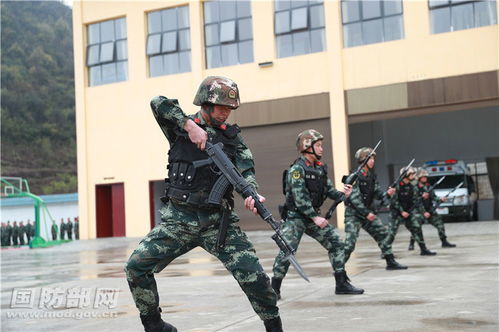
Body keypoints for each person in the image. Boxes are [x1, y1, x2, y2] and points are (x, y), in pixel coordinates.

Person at [124, 76, 282, 332]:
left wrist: (252, 193)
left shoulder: (233, 139)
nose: (226, 114)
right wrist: (189, 125)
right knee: (135, 267)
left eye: (230, 109)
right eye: (222, 108)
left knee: (256, 278)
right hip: (178, 221)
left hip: (218, 223)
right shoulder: (179, 127)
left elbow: (246, 170)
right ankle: (155, 325)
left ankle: (274, 328)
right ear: (206, 103)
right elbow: (157, 102)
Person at [271, 129, 364, 300]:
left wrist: (344, 194)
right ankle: (273, 289)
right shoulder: (297, 170)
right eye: (319, 146)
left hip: (313, 217)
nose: (322, 149)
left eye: (321, 146)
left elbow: (330, 191)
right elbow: (300, 199)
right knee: (287, 251)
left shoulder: (320, 169)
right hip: (296, 218)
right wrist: (315, 217)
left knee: (336, 244)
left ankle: (341, 283)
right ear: (307, 147)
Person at [343, 147, 407, 270]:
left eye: (373, 158)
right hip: (354, 214)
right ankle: (338, 267)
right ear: (363, 160)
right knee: (350, 244)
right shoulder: (354, 176)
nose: (373, 161)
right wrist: (367, 213)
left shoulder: (371, 177)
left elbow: (379, 195)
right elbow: (355, 199)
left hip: (367, 213)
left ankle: (390, 261)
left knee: (383, 234)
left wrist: (388, 193)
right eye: (370, 158)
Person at [387, 167, 437, 256]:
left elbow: (416, 201)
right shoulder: (396, 186)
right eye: (411, 174)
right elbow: (394, 201)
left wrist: (423, 212)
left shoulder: (412, 187)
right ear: (405, 175)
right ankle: (385, 252)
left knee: (417, 227)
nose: (414, 175)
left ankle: (423, 249)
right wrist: (402, 212)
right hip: (396, 213)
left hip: (408, 213)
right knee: (391, 233)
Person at [408, 169, 456, 250]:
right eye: (423, 177)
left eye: (426, 177)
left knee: (440, 224)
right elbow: (415, 201)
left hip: (430, 210)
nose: (425, 178)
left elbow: (434, 197)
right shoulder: (414, 188)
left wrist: (440, 199)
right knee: (416, 228)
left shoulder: (428, 186)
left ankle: (444, 241)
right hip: (419, 211)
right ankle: (411, 244)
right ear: (419, 178)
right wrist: (423, 212)